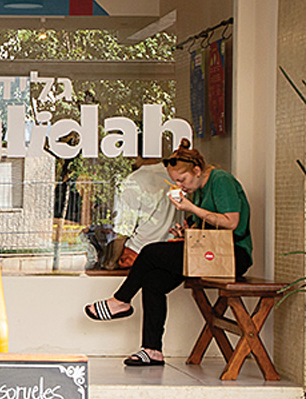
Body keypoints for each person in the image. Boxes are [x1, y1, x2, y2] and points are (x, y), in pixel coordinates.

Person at [83, 138, 252, 367]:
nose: (180, 186)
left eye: (182, 180)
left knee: (151, 252)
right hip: (208, 251)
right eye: (176, 181)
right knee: (154, 281)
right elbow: (206, 226)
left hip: (233, 255)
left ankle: (121, 300)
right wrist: (186, 229)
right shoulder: (199, 189)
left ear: (197, 170)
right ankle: (152, 350)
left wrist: (190, 208)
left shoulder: (220, 181)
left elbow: (231, 222)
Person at [102, 156, 178, 269]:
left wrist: (111, 262)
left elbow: (124, 229)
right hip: (170, 250)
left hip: (138, 252)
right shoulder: (173, 177)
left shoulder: (133, 181)